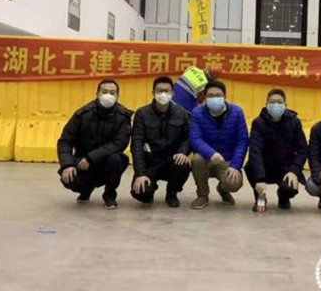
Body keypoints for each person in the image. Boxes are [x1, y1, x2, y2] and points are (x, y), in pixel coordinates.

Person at [57, 79, 132, 209]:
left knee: (116, 160)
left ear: (117, 96)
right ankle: (86, 190)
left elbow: (119, 143)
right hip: (83, 162)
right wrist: (67, 164)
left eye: (112, 93)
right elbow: (65, 141)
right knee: (69, 177)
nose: (108, 95)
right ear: (97, 93)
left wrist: (91, 157)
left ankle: (109, 195)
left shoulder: (123, 116)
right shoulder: (82, 114)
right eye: (104, 92)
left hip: (106, 161)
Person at [130, 76, 191, 208]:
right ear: (153, 93)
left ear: (172, 93)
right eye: (159, 90)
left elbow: (187, 138)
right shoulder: (142, 113)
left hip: (171, 161)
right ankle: (150, 188)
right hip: (150, 162)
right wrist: (140, 173)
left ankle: (172, 193)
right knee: (141, 193)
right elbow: (136, 144)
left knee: (183, 165)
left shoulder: (181, 113)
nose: (163, 94)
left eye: (166, 91)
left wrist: (183, 152)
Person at [245, 88, 308, 212]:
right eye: (272, 102)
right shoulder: (258, 123)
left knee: (290, 187)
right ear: (266, 105)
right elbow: (255, 151)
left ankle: (283, 197)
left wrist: (294, 171)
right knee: (250, 167)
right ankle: (260, 197)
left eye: (279, 102)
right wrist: (260, 179)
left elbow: (303, 150)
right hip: (265, 166)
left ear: (285, 105)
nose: (276, 105)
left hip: (285, 168)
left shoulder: (294, 122)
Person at [189, 80, 248, 209]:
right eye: (210, 96)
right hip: (207, 158)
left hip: (227, 159)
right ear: (205, 97)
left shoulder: (237, 112)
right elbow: (195, 138)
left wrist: (235, 166)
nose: (214, 98)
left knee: (234, 183)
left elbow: (242, 141)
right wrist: (211, 154)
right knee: (197, 159)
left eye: (218, 95)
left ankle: (223, 189)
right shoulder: (197, 113)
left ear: (225, 96)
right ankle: (202, 195)